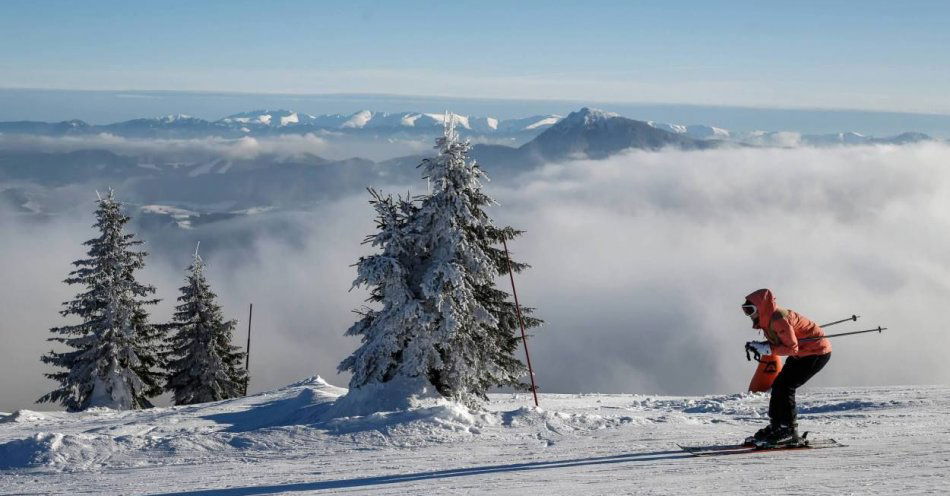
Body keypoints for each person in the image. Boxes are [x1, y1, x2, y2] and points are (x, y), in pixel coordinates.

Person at [741, 288, 832, 446]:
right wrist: (760, 346)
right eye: (745, 310)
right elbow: (780, 344)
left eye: (750, 310)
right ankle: (777, 426)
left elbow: (791, 348)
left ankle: (789, 430)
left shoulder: (778, 320)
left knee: (786, 386)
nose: (748, 315)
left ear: (761, 308)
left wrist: (766, 348)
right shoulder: (768, 320)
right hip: (803, 353)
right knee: (778, 385)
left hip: (816, 353)